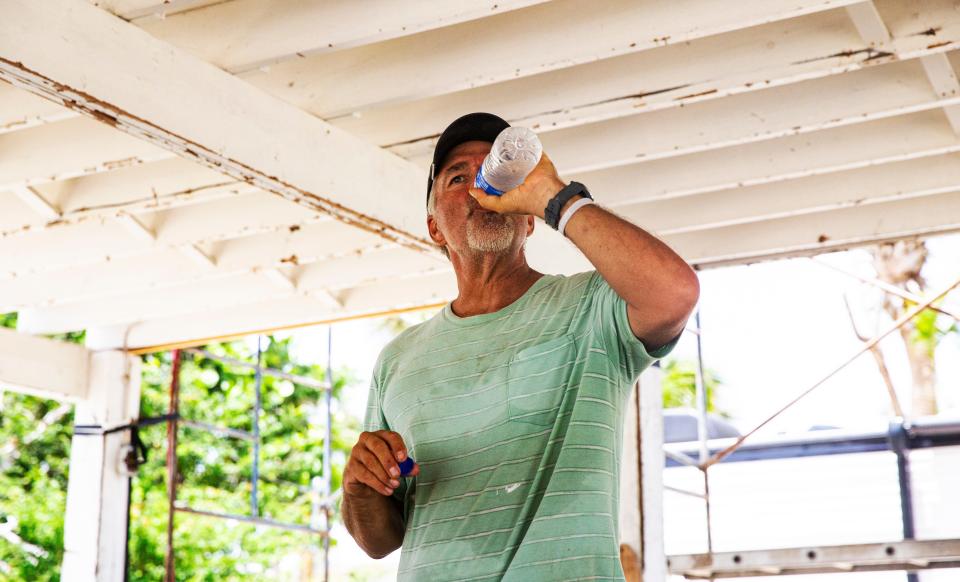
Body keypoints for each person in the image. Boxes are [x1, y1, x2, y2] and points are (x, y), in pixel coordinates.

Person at [341, 112, 699, 580]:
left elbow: (675, 293)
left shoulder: (590, 308)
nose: (479, 190)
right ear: (434, 227)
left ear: (528, 221)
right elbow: (381, 541)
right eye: (457, 178)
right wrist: (358, 490)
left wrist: (555, 197)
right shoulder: (399, 359)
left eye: (494, 173)